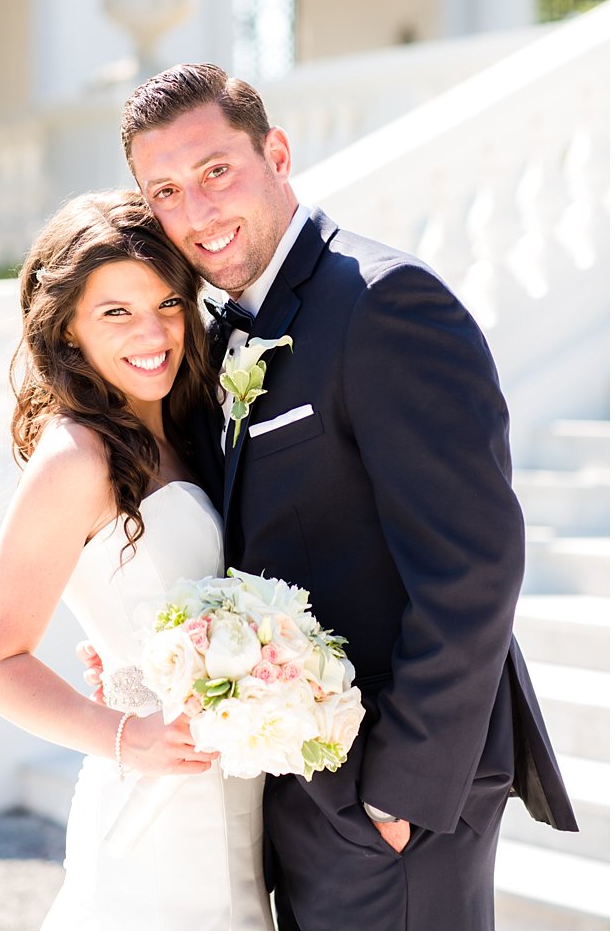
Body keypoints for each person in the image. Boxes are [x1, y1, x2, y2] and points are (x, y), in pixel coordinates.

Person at [86, 63, 577, 929]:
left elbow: (473, 565)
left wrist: (396, 796)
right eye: (165, 190)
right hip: (291, 775)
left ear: (276, 152)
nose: (196, 212)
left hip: (394, 795)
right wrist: (147, 642)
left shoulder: (385, 304)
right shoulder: (215, 336)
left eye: (215, 172)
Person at [0, 190, 274, 930]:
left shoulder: (184, 430)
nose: (154, 332)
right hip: (157, 814)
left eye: (168, 303)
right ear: (67, 328)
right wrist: (123, 733)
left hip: (242, 795)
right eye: (116, 312)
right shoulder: (77, 458)